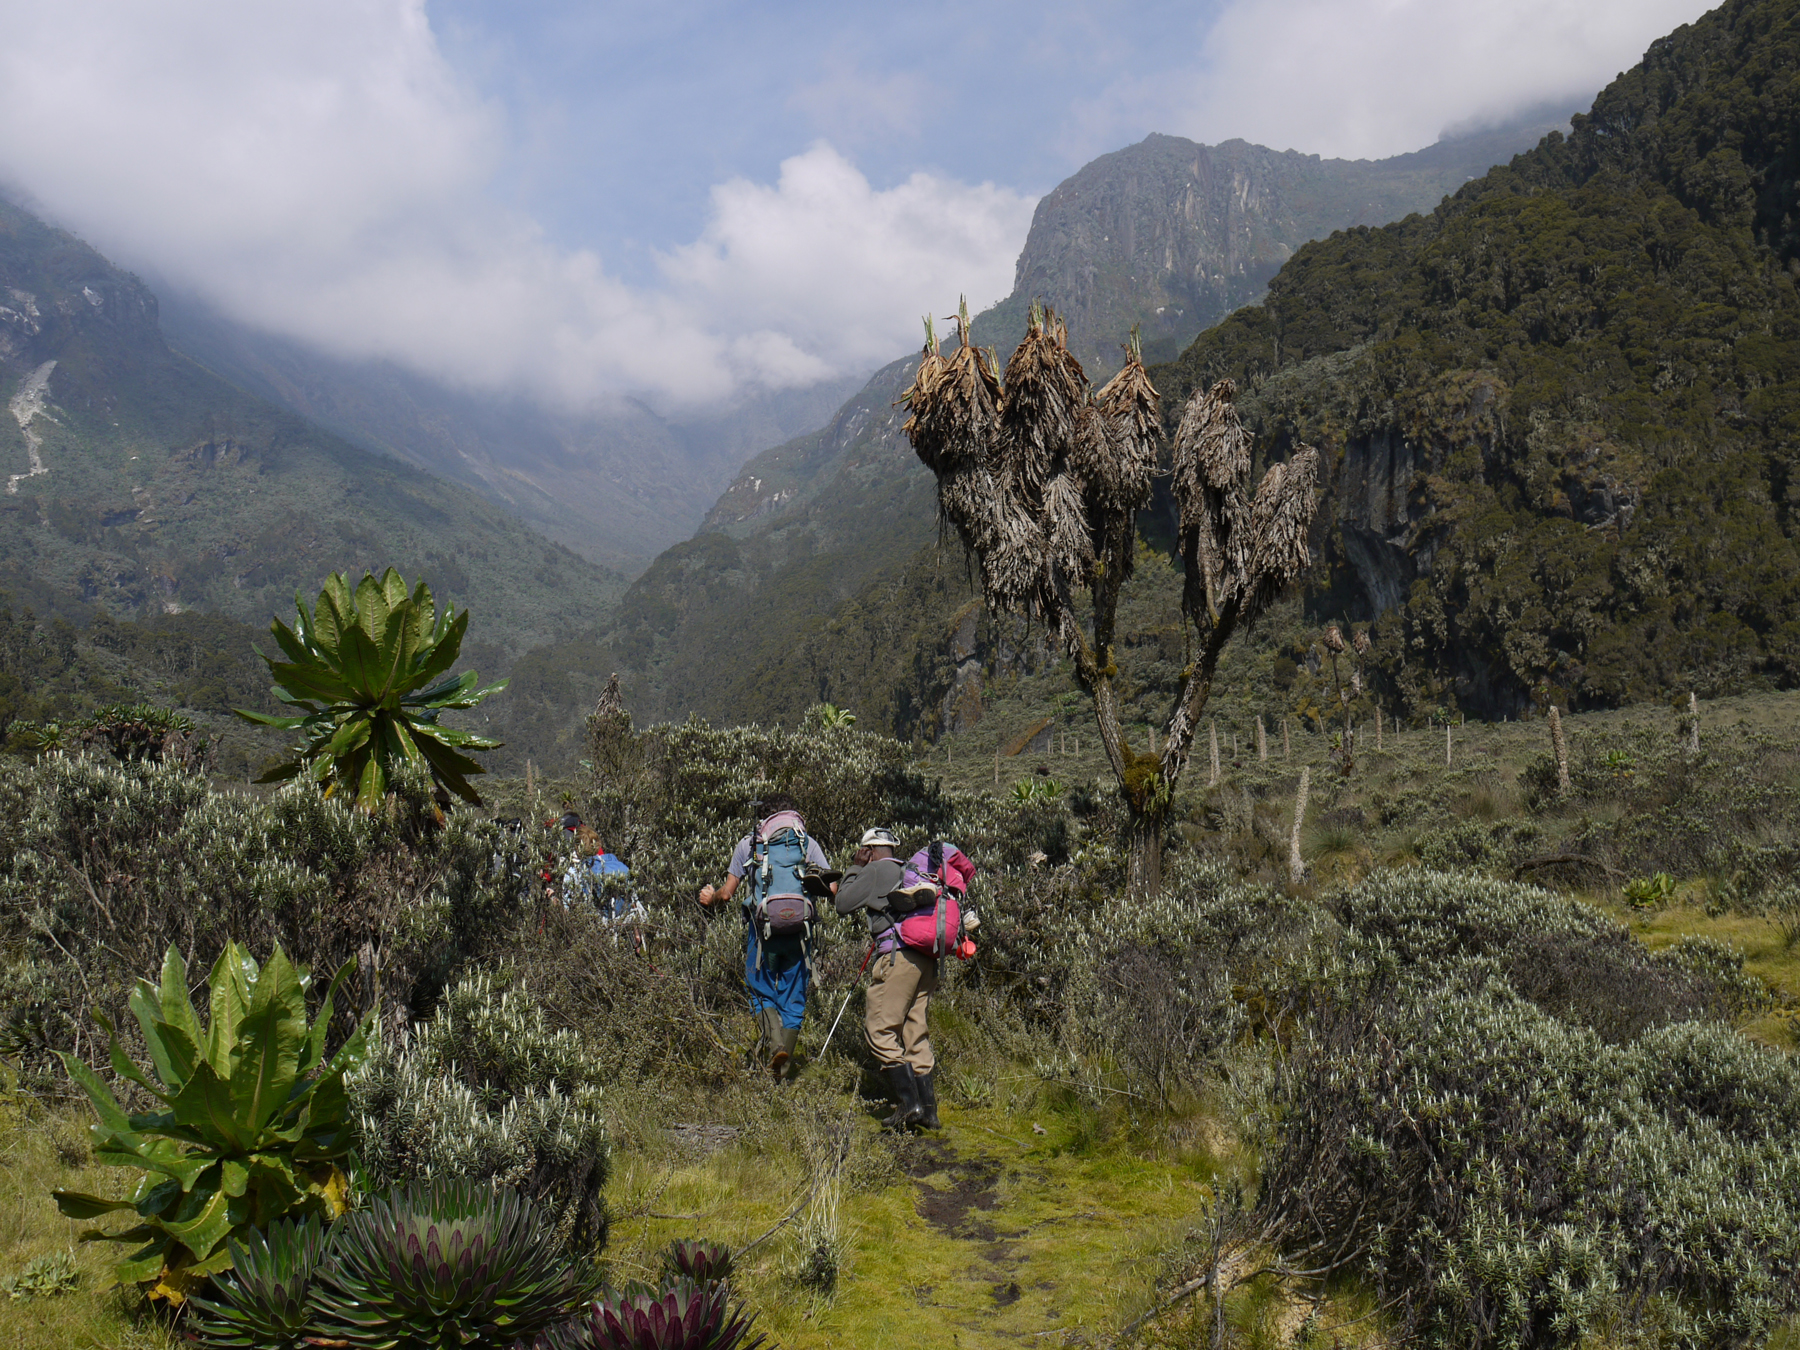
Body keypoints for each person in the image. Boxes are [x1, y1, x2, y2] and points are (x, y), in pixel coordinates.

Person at [834, 828, 974, 1130]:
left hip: (899, 957)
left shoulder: (875, 869)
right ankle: (929, 1112)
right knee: (915, 1029)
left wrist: (855, 868)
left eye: (862, 852)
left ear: (869, 851)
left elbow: (843, 903)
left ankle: (908, 1105)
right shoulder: (909, 871)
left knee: (879, 1029)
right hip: (928, 958)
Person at [697, 793, 834, 1081]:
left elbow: (728, 893)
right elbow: (833, 889)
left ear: (765, 819)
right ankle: (781, 1077)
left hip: (762, 935)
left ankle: (775, 1045)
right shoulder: (807, 844)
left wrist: (712, 899)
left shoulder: (750, 844)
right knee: (793, 1001)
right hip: (799, 934)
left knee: (759, 992)